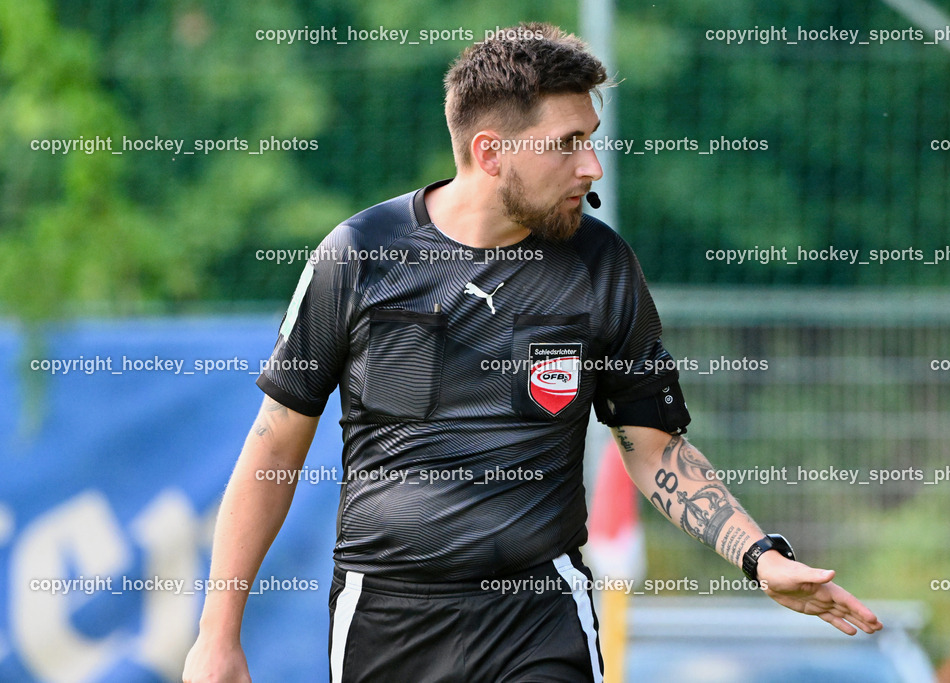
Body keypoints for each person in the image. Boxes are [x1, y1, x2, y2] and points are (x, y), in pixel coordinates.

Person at [183, 21, 882, 683]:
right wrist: (218, 633)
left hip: (540, 612)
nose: (592, 165)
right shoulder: (358, 256)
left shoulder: (601, 265)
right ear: (490, 152)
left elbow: (652, 444)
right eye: (568, 141)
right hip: (386, 616)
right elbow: (274, 449)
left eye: (592, 137)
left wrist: (759, 556)